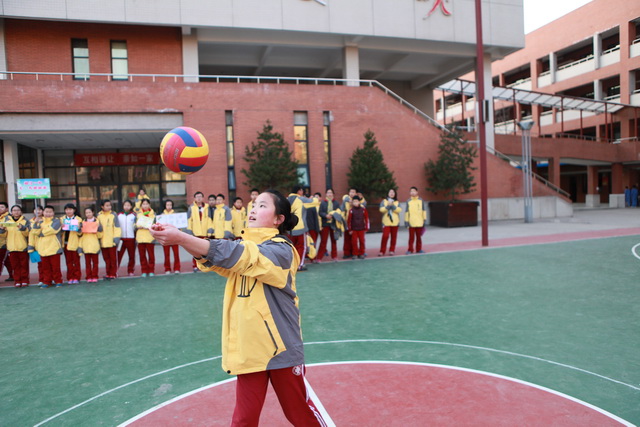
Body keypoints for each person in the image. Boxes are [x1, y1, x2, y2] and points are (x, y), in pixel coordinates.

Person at [149, 190, 326, 426]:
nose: (253, 209)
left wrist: (182, 238)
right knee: (243, 420)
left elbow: (241, 255)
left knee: (299, 414)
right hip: (250, 349)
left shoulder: (282, 251)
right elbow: (218, 260)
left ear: (278, 219)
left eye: (262, 206)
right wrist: (183, 239)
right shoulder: (244, 247)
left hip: (281, 349)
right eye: (254, 204)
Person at [287, 185, 318, 271]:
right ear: (299, 191)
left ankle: (292, 265)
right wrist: (312, 198)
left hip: (289, 228)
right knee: (302, 247)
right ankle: (300, 265)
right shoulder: (301, 199)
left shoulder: (286, 200)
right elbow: (315, 202)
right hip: (300, 228)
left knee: (291, 248)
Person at [33, 206, 63, 288]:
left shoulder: (57, 221)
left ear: (53, 213)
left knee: (55, 267)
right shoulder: (39, 221)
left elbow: (52, 230)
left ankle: (58, 281)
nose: (48, 214)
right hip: (43, 248)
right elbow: (34, 232)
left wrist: (41, 233)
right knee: (45, 267)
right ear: (43, 212)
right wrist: (36, 224)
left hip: (54, 248)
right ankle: (47, 281)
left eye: (50, 212)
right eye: (46, 212)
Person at [0, 205, 29, 287]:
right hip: (11, 247)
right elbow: (4, 235)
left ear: (21, 212)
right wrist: (2, 230)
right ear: (11, 212)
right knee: (15, 266)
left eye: (18, 210)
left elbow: (27, 234)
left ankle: (25, 280)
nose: (16, 212)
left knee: (24, 265)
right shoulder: (7, 221)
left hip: (22, 246)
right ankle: (17, 280)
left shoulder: (25, 221)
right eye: (14, 210)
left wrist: (22, 228)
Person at [187, 191, 211, 272]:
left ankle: (205, 265)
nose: (199, 198)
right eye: (197, 197)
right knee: (195, 251)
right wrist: (190, 233)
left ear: (203, 198)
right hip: (195, 233)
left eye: (200, 196)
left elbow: (209, 219)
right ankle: (195, 265)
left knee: (206, 251)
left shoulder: (207, 207)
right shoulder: (191, 208)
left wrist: (209, 231)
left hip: (205, 232)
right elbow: (189, 220)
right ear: (194, 198)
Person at [97, 199, 121, 280]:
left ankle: (113, 273)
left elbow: (117, 227)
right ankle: (108, 273)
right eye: (107, 205)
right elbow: (98, 228)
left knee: (113, 259)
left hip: (112, 241)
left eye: (110, 205)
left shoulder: (113, 215)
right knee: (106, 259)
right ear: (102, 206)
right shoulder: (99, 216)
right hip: (103, 241)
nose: (109, 207)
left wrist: (116, 238)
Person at [78, 206, 102, 283]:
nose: (88, 214)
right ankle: (88, 276)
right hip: (86, 245)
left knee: (95, 263)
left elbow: (100, 235)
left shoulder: (97, 222)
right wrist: (79, 229)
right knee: (87, 263)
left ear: (93, 212)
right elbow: (80, 235)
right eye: (86, 213)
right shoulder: (83, 222)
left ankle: (95, 276)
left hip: (94, 245)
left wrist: (98, 229)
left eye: (89, 212)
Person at [316, 188, 341, 262]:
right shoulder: (323, 203)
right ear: (326, 194)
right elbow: (320, 213)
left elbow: (339, 212)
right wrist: (326, 215)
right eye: (328, 193)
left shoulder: (336, 203)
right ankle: (319, 257)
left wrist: (333, 215)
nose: (329, 194)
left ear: (333, 194)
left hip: (334, 223)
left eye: (331, 193)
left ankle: (334, 256)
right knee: (323, 241)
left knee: (334, 240)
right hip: (325, 223)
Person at [341, 187, 367, 259]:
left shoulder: (359, 200)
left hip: (357, 223)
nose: (351, 193)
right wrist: (344, 219)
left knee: (356, 240)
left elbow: (364, 205)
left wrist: (361, 199)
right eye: (350, 192)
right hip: (348, 222)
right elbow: (342, 210)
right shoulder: (346, 200)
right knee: (347, 238)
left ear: (356, 193)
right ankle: (347, 253)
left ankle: (357, 252)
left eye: (353, 192)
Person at [61, 203, 83, 284]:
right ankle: (70, 277)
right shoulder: (62, 219)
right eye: (67, 209)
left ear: (74, 210)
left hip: (75, 244)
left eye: (70, 209)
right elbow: (59, 232)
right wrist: (61, 228)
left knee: (76, 262)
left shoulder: (78, 219)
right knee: (68, 262)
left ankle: (77, 277)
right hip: (65, 243)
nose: (68, 211)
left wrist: (78, 229)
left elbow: (81, 234)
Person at [135, 198, 156, 277]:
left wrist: (151, 226)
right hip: (140, 238)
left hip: (150, 237)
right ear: (141, 205)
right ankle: (144, 270)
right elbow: (135, 224)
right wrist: (138, 226)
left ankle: (151, 270)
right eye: (143, 204)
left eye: (147, 204)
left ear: (149, 205)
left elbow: (155, 224)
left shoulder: (153, 214)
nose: (145, 205)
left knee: (151, 255)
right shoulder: (138, 214)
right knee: (142, 256)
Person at [379, 188, 402, 256]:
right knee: (385, 236)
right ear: (388, 193)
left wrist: (393, 206)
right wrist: (388, 206)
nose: (391, 193)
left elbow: (399, 210)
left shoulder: (397, 202)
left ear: (395, 194)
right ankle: (382, 251)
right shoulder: (384, 201)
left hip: (395, 222)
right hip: (386, 222)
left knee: (393, 237)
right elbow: (381, 209)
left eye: (393, 192)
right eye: (390, 192)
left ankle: (392, 250)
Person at [117, 200, 137, 277]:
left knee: (131, 256)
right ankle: (115, 270)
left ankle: (130, 270)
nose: (127, 207)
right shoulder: (119, 215)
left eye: (128, 205)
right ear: (123, 206)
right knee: (118, 255)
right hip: (121, 239)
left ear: (131, 206)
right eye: (125, 205)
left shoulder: (134, 215)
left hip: (131, 239)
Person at [405, 186, 427, 254]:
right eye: (411, 191)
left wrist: (424, 220)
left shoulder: (421, 200)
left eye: (414, 191)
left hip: (420, 222)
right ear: (410, 193)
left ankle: (419, 249)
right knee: (411, 238)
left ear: (417, 192)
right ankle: (410, 250)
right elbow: (406, 212)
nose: (413, 192)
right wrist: (406, 222)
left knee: (419, 237)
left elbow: (423, 210)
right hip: (411, 223)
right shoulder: (408, 201)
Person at [161, 199, 181, 274]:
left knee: (176, 254)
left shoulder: (175, 215)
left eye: (170, 205)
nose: (169, 206)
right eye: (167, 205)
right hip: (165, 237)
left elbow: (179, 226)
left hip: (174, 237)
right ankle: (167, 269)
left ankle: (177, 268)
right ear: (165, 206)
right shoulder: (162, 215)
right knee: (166, 254)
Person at [27, 205, 45, 286]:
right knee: (40, 264)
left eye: (40, 209)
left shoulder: (45, 220)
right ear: (33, 211)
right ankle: (42, 279)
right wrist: (31, 245)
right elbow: (30, 234)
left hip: (45, 244)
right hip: (36, 246)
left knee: (47, 264)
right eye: (36, 210)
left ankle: (49, 278)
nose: (38, 211)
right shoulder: (30, 221)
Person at [0, 201, 15, 282]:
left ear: (6, 209)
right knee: (7, 261)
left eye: (2, 207)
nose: (0, 209)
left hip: (4, 243)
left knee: (2, 260)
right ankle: (12, 275)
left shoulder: (9, 218)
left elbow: (8, 230)